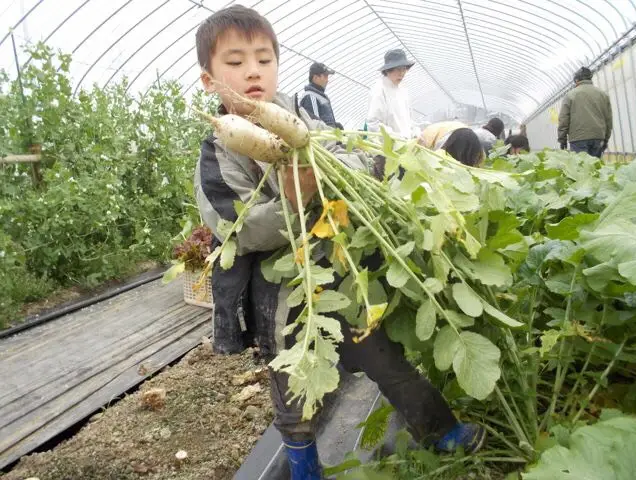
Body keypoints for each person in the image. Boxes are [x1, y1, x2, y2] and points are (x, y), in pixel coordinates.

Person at [193, 7, 485, 479]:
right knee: (294, 393)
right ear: (210, 80)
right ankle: (306, 470)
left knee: (387, 362)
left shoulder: (303, 116)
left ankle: (442, 430)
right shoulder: (218, 153)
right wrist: (291, 199)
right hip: (282, 298)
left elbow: (346, 157)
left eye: (264, 60)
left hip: (339, 274)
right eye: (235, 61)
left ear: (277, 66)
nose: (252, 71)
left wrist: (337, 170)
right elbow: (236, 230)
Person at [558, 67, 612, 158]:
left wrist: (562, 139)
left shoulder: (570, 95)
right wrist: (606, 139)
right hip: (598, 137)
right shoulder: (603, 94)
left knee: (581, 169)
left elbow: (564, 119)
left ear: (576, 80)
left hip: (578, 139)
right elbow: (608, 119)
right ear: (590, 78)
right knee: (596, 168)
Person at [366, 49, 420, 139]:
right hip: (387, 148)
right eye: (398, 69)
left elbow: (409, 120)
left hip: (405, 145)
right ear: (388, 70)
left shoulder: (403, 90)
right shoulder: (379, 89)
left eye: (404, 69)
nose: (402, 73)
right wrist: (396, 137)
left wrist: (415, 132)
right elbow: (373, 123)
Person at [298, 62, 343, 129]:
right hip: (324, 139)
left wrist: (334, 125)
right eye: (325, 76)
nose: (327, 80)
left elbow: (325, 121)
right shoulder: (310, 97)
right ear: (315, 78)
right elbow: (316, 126)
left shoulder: (321, 96)